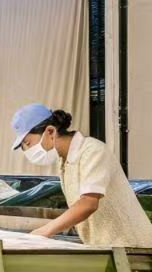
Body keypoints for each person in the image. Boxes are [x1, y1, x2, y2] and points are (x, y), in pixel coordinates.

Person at [11, 103, 152, 247]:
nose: (27, 151)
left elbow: (88, 204)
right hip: (107, 248)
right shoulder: (64, 162)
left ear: (51, 132)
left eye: (28, 143)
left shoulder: (92, 151)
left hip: (135, 247)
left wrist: (42, 232)